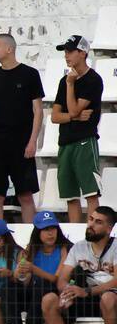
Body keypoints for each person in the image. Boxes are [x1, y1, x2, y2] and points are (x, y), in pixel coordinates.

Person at [0, 32, 45, 221]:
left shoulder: (30, 74)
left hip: (21, 143)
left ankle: (31, 240)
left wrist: (33, 141)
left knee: (25, 194)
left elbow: (38, 111)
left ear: (9, 49)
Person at [52, 34, 104, 221]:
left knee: (90, 193)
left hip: (84, 141)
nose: (67, 56)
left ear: (82, 53)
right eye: (65, 52)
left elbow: (73, 109)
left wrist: (70, 83)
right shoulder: (63, 81)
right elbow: (55, 117)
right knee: (70, 196)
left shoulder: (93, 80)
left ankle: (93, 230)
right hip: (65, 142)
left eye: (71, 51)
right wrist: (73, 117)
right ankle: (75, 237)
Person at [49, 206, 117, 324]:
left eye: (98, 222)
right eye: (91, 219)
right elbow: (63, 278)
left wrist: (86, 291)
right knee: (49, 300)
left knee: (108, 299)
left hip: (110, 296)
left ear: (109, 229)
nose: (91, 224)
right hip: (85, 296)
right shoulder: (78, 247)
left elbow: (116, 281)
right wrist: (68, 291)